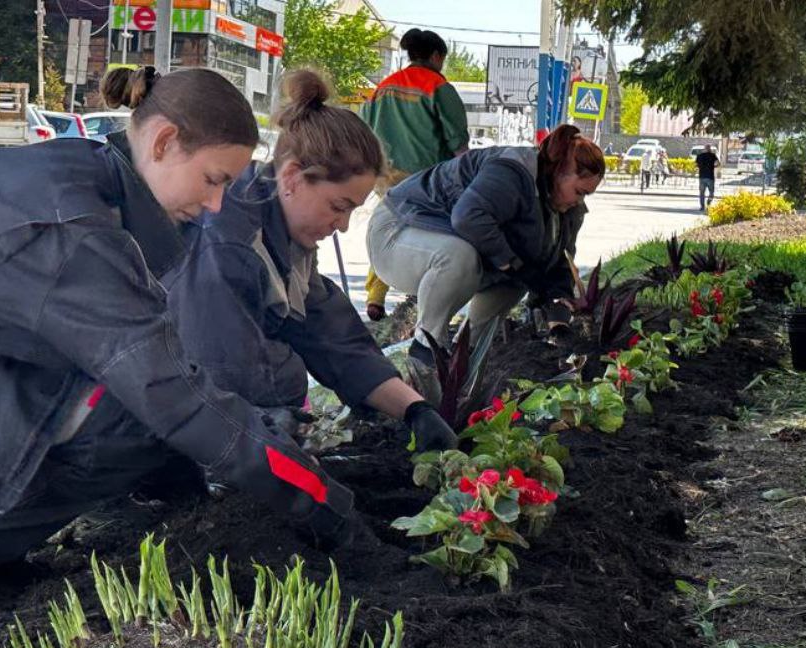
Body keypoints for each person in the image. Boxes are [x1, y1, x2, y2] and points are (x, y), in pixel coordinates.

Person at [0, 67, 358, 611]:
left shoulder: (90, 172)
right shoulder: (78, 233)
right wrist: (315, 496)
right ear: (163, 141)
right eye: (214, 181)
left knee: (123, 404)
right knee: (126, 421)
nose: (216, 205)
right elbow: (169, 392)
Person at [164, 70, 456, 452]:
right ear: (292, 178)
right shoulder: (228, 244)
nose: (344, 226)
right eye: (339, 207)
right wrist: (266, 413)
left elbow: (331, 336)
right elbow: (227, 371)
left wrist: (415, 410)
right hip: (157, 446)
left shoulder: (281, 232)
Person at [365, 124, 605, 363]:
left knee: (516, 280)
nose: (580, 201)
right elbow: (468, 218)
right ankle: (427, 347)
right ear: (559, 172)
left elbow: (558, 267)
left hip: (443, 240)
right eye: (579, 191)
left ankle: (466, 355)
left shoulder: (568, 210)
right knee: (462, 256)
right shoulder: (512, 171)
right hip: (396, 229)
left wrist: (559, 320)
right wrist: (513, 264)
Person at [360, 28, 470, 322]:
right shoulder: (437, 86)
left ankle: (376, 296)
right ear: (436, 56)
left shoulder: (383, 87)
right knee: (434, 234)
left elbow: (364, 130)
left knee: (388, 227)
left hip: (386, 175)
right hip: (427, 179)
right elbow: (457, 140)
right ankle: (425, 290)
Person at [696, 144, 721, 211]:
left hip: (702, 177)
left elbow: (696, 165)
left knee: (702, 193)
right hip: (710, 177)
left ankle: (702, 206)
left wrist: (701, 167)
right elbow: (718, 163)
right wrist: (714, 166)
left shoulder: (699, 156)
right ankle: (708, 202)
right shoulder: (713, 156)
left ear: (704, 149)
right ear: (710, 149)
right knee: (711, 192)